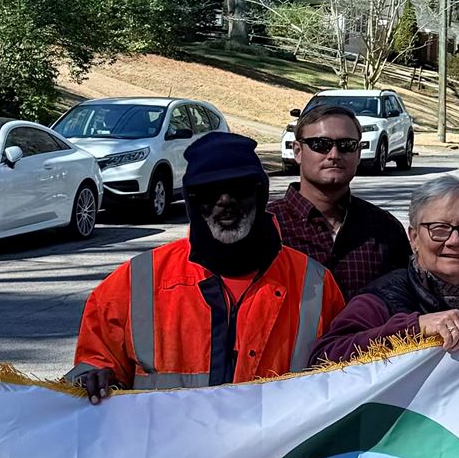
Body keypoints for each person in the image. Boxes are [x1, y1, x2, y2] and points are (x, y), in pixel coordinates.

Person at [69, 131, 342, 393]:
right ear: (191, 201)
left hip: (278, 443)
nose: (225, 200)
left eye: (238, 187)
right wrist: (96, 378)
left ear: (260, 194)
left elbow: (346, 380)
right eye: (209, 191)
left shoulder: (314, 284)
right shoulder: (135, 282)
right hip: (168, 441)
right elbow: (93, 367)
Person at [313, 176, 459, 362]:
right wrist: (414, 327)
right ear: (414, 237)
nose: (454, 240)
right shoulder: (382, 299)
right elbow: (324, 356)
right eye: (439, 229)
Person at [271, 96, 413, 296]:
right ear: (297, 151)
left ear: (358, 153)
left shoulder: (385, 229)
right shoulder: (265, 227)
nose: (334, 154)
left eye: (346, 144)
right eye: (321, 144)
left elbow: (404, 303)